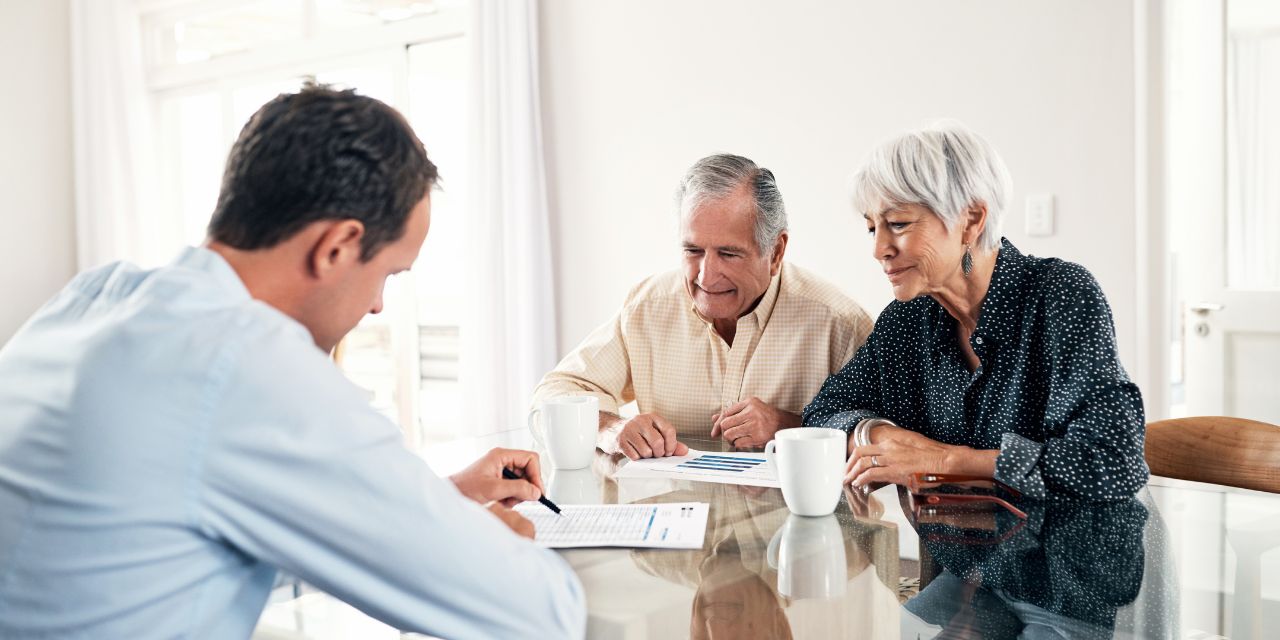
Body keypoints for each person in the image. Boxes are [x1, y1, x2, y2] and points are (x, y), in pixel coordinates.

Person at [0, 85, 585, 638]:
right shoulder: (246, 361)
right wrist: (476, 542)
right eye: (387, 274)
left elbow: (179, 532)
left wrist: (439, 501)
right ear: (336, 247)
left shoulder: (95, 297)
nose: (379, 305)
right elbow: (540, 612)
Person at [802, 121, 1149, 500]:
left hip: (1063, 554)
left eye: (898, 224)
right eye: (873, 228)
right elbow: (824, 412)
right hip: (955, 555)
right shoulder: (906, 320)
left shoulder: (1061, 295)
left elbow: (1114, 461)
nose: (879, 248)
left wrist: (947, 461)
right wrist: (884, 437)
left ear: (971, 220)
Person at [532, 154, 872, 460]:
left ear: (777, 252)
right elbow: (554, 395)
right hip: (676, 523)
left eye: (728, 253)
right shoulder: (648, 307)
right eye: (692, 251)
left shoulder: (840, 324)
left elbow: (886, 436)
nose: (706, 276)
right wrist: (612, 429)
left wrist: (792, 427)